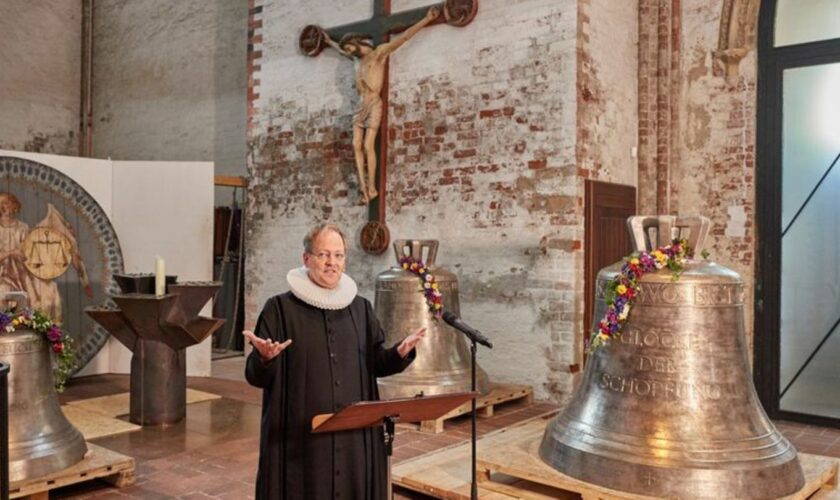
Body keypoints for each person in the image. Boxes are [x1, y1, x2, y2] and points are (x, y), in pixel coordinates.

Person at [244, 223, 427, 499]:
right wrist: (264, 358)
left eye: (339, 255)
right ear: (306, 259)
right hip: (301, 441)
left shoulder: (361, 309)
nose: (332, 263)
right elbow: (254, 376)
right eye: (323, 255)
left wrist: (399, 353)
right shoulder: (279, 309)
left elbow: (376, 362)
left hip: (353, 437)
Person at [321, 6, 440, 204]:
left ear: (357, 42)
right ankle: (363, 189)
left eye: (350, 47)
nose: (349, 51)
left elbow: (403, 38)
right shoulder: (355, 59)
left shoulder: (378, 54)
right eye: (347, 50)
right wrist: (328, 41)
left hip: (374, 102)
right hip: (359, 106)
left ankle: (372, 188)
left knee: (368, 145)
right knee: (355, 145)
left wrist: (426, 19)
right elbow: (340, 50)